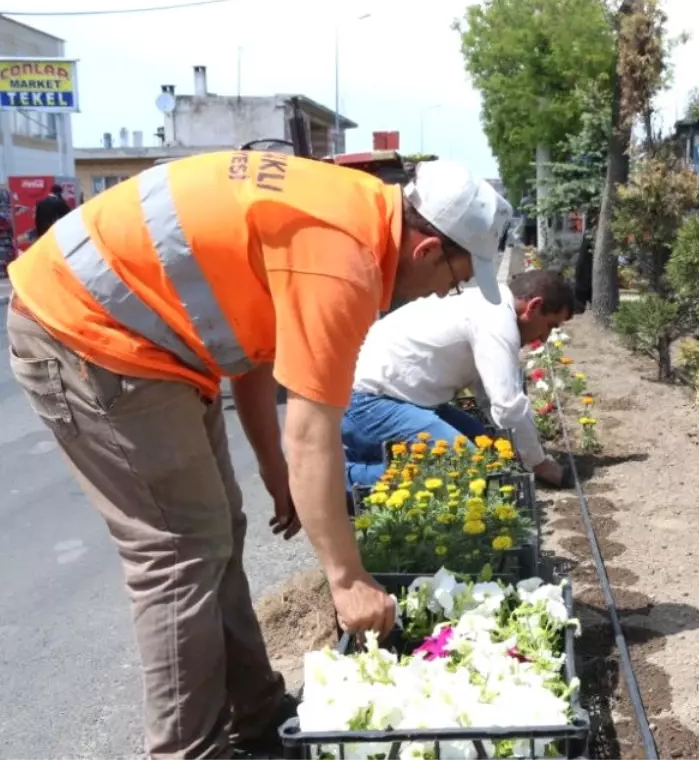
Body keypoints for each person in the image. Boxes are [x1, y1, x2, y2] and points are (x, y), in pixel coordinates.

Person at [6, 151, 507, 760]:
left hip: (151, 339)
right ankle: (188, 752)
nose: (445, 292)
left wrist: (275, 474)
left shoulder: (354, 209)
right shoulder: (343, 263)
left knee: (218, 530)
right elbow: (312, 431)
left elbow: (255, 351)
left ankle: (259, 716)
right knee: (177, 551)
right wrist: (347, 580)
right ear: (428, 250)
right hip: (92, 332)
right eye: (453, 279)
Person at [344, 269, 574, 489]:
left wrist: (518, 448)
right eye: (550, 326)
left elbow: (490, 396)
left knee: (488, 450)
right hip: (367, 403)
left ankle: (361, 455)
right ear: (534, 307)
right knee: (466, 466)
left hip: (399, 398)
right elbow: (507, 405)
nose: (544, 338)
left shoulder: (490, 304)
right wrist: (539, 464)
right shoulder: (495, 319)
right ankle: (340, 479)